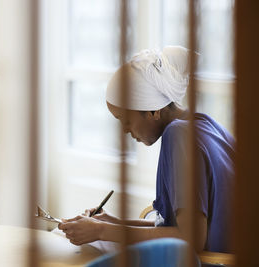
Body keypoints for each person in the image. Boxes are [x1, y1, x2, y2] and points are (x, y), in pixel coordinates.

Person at [59, 46, 234, 253]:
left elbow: (190, 239)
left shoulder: (179, 136)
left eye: (125, 120)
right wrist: (113, 223)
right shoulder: (207, 125)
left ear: (153, 110)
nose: (124, 130)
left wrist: (102, 231)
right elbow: (178, 228)